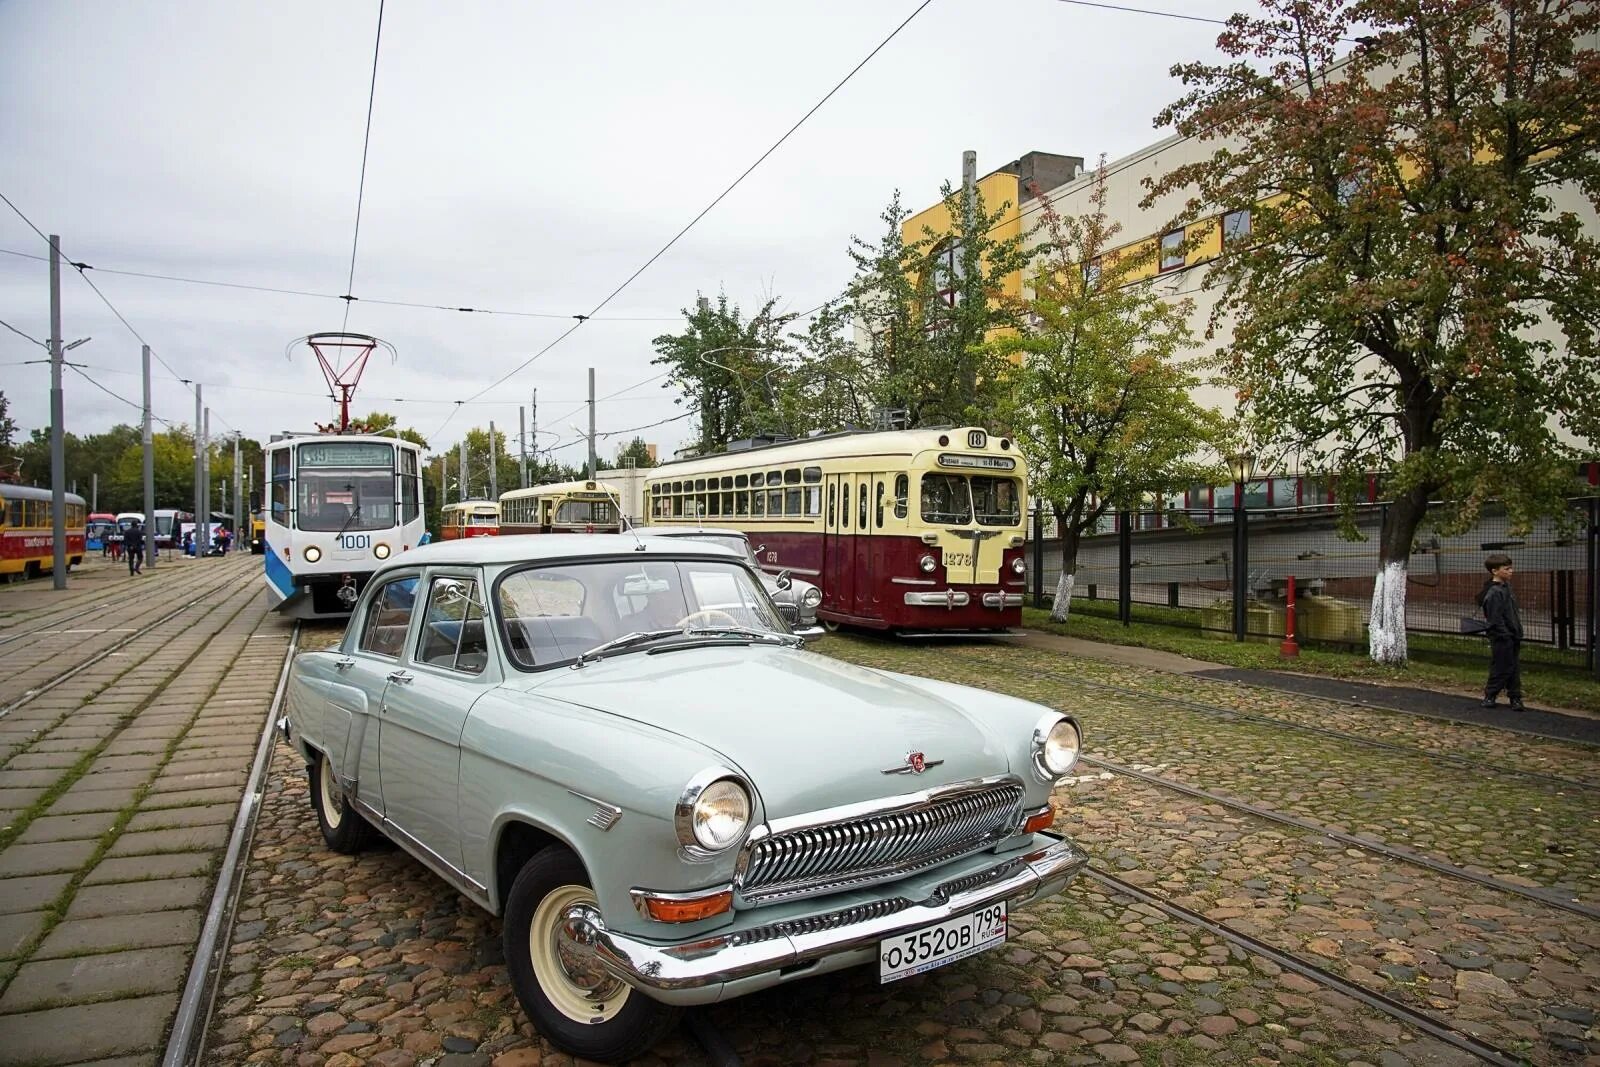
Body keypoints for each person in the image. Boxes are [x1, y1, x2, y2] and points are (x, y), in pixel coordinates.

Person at [1477, 552, 1525, 711]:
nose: (1511, 571)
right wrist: (1504, 634)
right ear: (1495, 571)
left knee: (1513, 667)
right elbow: (1495, 618)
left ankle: (1515, 697)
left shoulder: (1506, 587)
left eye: (1511, 568)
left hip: (1512, 634)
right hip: (1502, 636)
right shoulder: (1494, 592)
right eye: (1507, 568)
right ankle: (1490, 695)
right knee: (1502, 666)